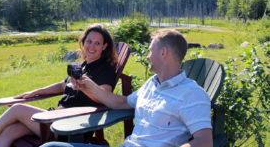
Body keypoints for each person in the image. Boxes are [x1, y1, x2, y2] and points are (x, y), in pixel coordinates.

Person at [41, 29, 213, 147]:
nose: (147, 56)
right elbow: (121, 103)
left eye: (150, 51)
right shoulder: (151, 85)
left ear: (163, 53)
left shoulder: (192, 94)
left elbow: (204, 141)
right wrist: (90, 87)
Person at [0, 24, 118, 147]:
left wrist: (85, 87)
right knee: (10, 131)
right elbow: (62, 86)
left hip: (70, 127)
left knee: (17, 109)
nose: (91, 46)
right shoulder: (83, 66)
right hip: (56, 118)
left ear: (104, 46)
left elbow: (104, 97)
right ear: (83, 41)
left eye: (97, 43)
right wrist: (36, 91)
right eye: (89, 41)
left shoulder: (105, 69)